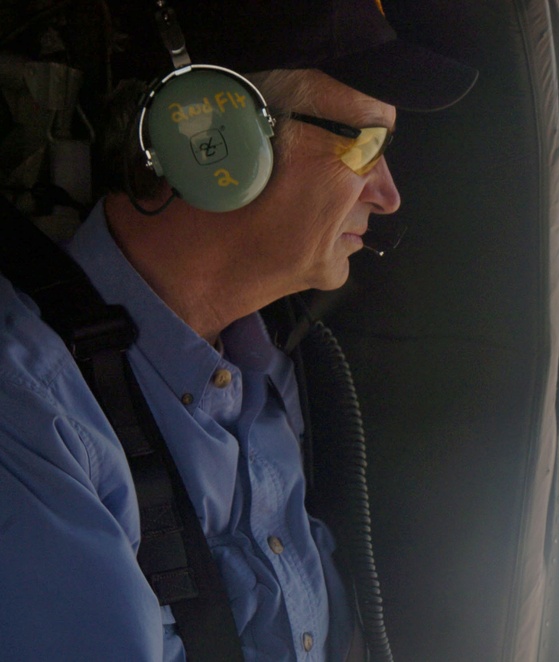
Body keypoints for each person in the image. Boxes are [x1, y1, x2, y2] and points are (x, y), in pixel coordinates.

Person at [0, 0, 476, 660]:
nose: (388, 194)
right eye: (365, 145)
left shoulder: (276, 371)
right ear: (213, 140)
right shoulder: (30, 414)